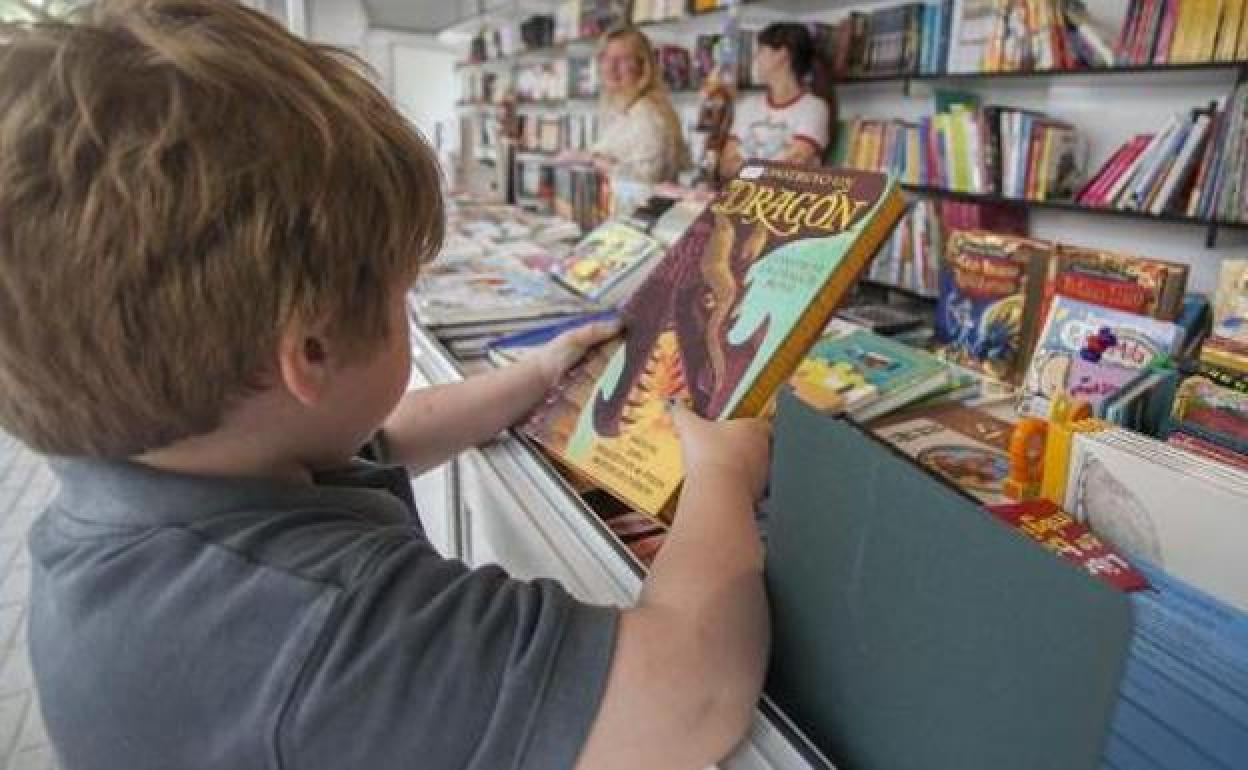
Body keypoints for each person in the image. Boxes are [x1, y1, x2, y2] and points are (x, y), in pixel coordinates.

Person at [0, 3, 770, 770]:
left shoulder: (151, 473)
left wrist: (537, 373)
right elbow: (689, 696)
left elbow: (391, 433)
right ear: (310, 351)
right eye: (403, 293)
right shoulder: (317, 627)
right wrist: (722, 477)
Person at [562, 25, 690, 187]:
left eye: (622, 60)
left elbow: (645, 182)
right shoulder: (624, 108)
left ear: (643, 67)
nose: (611, 68)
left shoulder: (647, 114)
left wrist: (592, 160)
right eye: (606, 58)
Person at [719, 22, 832, 180]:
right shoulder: (747, 107)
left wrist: (743, 166)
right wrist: (768, 168)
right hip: (741, 198)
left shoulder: (813, 108)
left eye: (761, 51)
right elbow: (725, 166)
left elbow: (789, 171)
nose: (755, 58)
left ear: (782, 55)